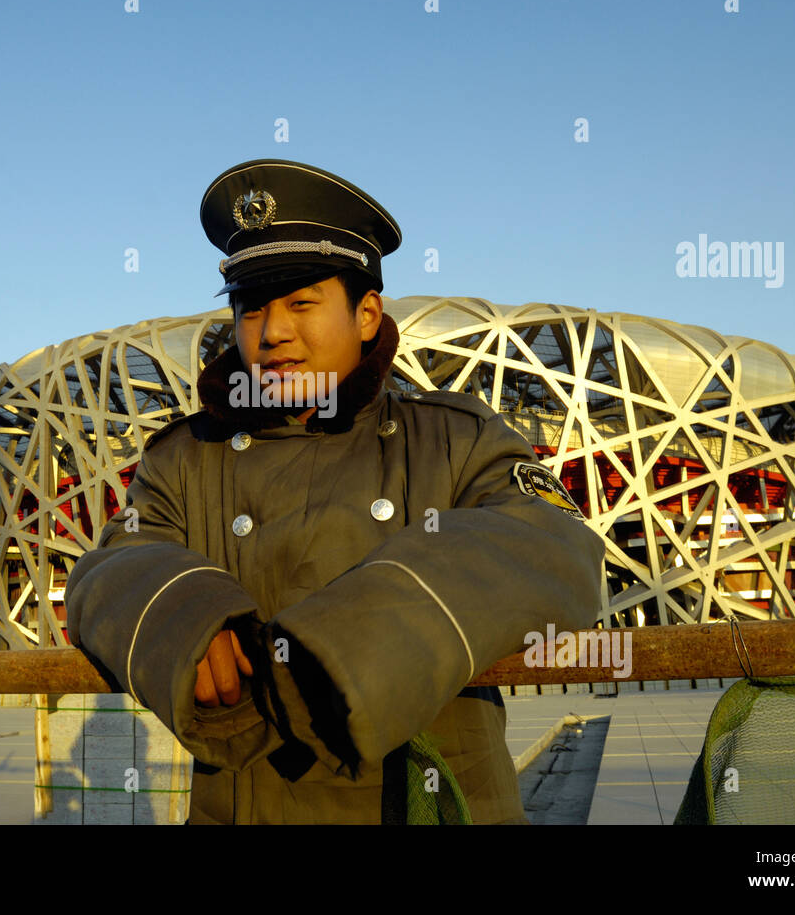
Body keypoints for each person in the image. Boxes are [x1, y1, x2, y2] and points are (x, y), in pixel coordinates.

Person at [65, 158, 605, 824]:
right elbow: (111, 562)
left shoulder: (453, 439)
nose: (272, 331)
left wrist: (339, 656)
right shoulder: (184, 458)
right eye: (251, 307)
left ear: (368, 314)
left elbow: (557, 544)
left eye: (301, 301)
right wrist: (185, 617)